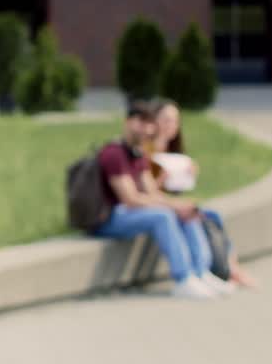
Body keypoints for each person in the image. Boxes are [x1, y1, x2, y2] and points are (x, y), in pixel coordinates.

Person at [92, 101, 234, 300]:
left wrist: (179, 206)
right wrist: (171, 207)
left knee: (185, 212)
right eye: (139, 122)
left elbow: (151, 192)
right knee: (163, 216)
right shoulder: (114, 153)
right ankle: (183, 279)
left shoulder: (137, 153)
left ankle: (200, 272)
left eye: (148, 123)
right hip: (108, 217)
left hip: (128, 213)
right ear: (127, 122)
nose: (145, 128)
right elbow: (130, 198)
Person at [150, 99, 259, 289]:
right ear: (154, 121)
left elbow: (176, 190)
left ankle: (229, 267)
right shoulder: (145, 152)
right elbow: (146, 190)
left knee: (211, 215)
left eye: (175, 121)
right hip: (156, 204)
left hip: (169, 202)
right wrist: (161, 179)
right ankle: (206, 272)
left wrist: (186, 174)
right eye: (166, 120)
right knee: (194, 215)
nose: (171, 125)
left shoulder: (174, 151)